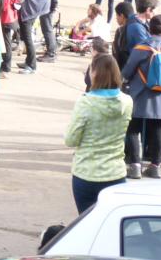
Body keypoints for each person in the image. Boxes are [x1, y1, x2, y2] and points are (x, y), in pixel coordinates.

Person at [65, 54, 132, 212]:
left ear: (94, 73)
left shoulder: (86, 102)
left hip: (87, 174)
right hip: (116, 173)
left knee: (88, 225)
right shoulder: (127, 101)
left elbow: (70, 140)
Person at [121, 14, 161, 179]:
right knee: (157, 129)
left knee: (133, 129)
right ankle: (155, 165)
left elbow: (128, 71)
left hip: (140, 93)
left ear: (149, 28)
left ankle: (134, 165)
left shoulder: (142, 48)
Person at [16, 0, 51, 74]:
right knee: (27, 38)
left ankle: (32, 66)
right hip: (32, 11)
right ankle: (28, 61)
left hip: (30, 13)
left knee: (28, 39)